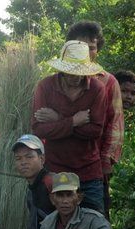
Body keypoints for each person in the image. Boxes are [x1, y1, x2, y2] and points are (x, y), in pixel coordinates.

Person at [31, 40, 107, 214]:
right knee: (52, 227)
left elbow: (95, 131)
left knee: (94, 224)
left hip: (89, 172)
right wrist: (73, 121)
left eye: (80, 72)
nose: (77, 77)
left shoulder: (97, 89)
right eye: (71, 72)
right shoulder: (45, 87)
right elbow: (39, 129)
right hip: (55, 171)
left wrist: (58, 118)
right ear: (61, 69)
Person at [66, 21, 125, 219]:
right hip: (62, 161)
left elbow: (114, 123)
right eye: (79, 46)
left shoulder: (108, 81)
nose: (86, 52)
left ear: (97, 49)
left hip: (94, 165)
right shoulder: (59, 80)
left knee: (95, 219)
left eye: (91, 47)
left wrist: (106, 160)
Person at [11, 134, 55, 229]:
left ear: (42, 159)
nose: (23, 162)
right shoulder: (31, 191)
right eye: (18, 158)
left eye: (29, 157)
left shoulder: (51, 183)